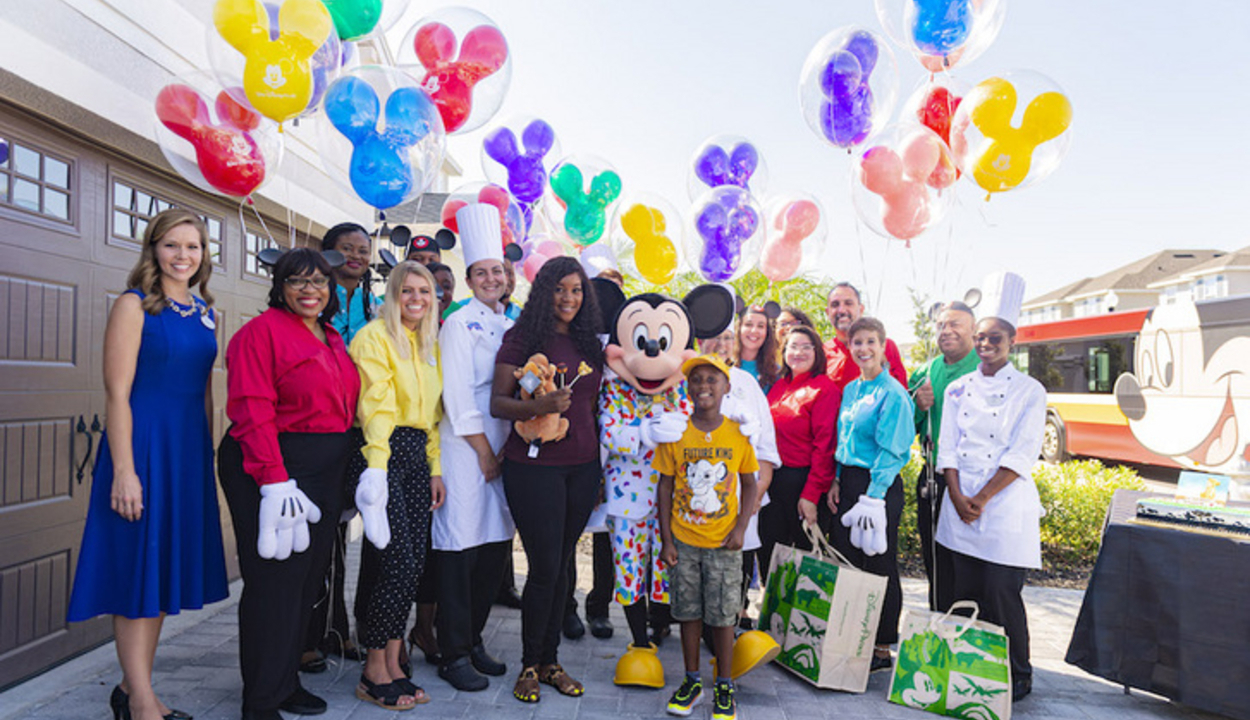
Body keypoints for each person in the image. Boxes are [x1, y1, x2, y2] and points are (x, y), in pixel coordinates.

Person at [67, 208, 227, 720]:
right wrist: (124, 470)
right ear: (153, 249)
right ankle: (140, 702)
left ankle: (133, 687)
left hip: (186, 455)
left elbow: (204, 393)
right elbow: (117, 394)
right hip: (141, 450)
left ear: (204, 255)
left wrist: (206, 458)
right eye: (172, 245)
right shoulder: (134, 306)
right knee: (137, 571)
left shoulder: (206, 312)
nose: (183, 256)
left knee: (158, 576)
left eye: (193, 247)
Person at [218, 248, 361, 720]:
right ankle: (260, 700)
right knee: (274, 582)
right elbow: (251, 409)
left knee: (306, 581)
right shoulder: (258, 334)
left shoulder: (331, 335)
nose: (309, 290)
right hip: (272, 467)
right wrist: (274, 481)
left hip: (322, 473)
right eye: (297, 281)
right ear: (279, 286)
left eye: (319, 281)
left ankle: (285, 682)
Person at [490, 256, 604, 703]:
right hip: (534, 469)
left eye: (576, 290)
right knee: (544, 569)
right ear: (544, 293)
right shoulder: (523, 337)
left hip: (582, 467)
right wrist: (541, 406)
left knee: (561, 570)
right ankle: (529, 665)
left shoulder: (589, 343)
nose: (569, 298)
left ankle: (552, 661)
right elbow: (500, 403)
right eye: (559, 289)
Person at [347, 260, 445, 710]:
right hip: (381, 454)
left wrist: (435, 468)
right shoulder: (374, 337)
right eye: (407, 291)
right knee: (396, 563)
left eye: (424, 292)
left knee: (414, 563)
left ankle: (393, 660)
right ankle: (373, 668)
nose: (416, 300)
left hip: (416, 457)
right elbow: (377, 408)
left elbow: (433, 417)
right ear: (392, 295)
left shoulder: (427, 343)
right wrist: (377, 470)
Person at [935, 317, 1046, 703]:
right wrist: (955, 494)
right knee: (964, 591)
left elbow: (1023, 451)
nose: (986, 343)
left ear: (1011, 342)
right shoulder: (956, 388)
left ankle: (1018, 673)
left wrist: (981, 499)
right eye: (979, 337)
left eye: (994, 338)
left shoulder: (1030, 390)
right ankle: (970, 666)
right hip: (958, 501)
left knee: (1001, 592)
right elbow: (946, 445)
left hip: (1003, 506)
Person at [432, 205, 516, 691]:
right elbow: (459, 395)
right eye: (481, 273)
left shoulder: (510, 326)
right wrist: (484, 451)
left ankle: (475, 639)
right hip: (466, 450)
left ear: (507, 278)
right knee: (460, 549)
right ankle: (453, 651)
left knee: (493, 549)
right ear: (468, 279)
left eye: (497, 272)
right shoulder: (459, 325)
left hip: (504, 448)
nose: (490, 279)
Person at [657, 355, 759, 720]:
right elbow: (665, 486)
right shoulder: (677, 432)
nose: (703, 385)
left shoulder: (737, 433)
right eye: (696, 379)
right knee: (688, 612)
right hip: (684, 541)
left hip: (723, 543)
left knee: (722, 614)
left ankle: (725, 684)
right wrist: (667, 540)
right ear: (687, 386)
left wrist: (740, 529)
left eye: (712, 379)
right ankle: (691, 680)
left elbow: (749, 484)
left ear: (726, 387)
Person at [301, 222, 378, 673]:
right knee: (320, 539)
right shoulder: (314, 303)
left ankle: (343, 627)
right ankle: (310, 636)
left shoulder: (374, 304)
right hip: (320, 431)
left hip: (362, 432)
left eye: (363, 249)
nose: (356, 256)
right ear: (328, 254)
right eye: (346, 249)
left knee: (355, 538)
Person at [828, 317, 915, 674]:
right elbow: (844, 440)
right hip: (848, 480)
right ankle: (851, 637)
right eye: (856, 343)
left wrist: (873, 496)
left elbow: (893, 450)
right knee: (847, 559)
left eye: (870, 342)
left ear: (882, 345)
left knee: (879, 563)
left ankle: (880, 645)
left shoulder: (892, 392)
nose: (863, 349)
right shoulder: (851, 389)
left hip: (877, 485)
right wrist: (836, 480)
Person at [700, 327, 780, 630]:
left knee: (739, 556)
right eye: (715, 336)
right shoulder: (687, 380)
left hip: (742, 493)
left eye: (727, 338)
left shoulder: (747, 383)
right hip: (698, 494)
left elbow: (766, 442)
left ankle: (732, 620)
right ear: (700, 340)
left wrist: (758, 491)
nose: (721, 344)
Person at [908, 302, 978, 612]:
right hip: (934, 478)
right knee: (935, 561)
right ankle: (940, 626)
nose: (946, 331)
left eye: (955, 325)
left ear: (974, 330)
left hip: (973, 480)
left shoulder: (985, 367)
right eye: (940, 325)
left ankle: (974, 634)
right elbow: (906, 426)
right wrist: (918, 406)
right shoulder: (925, 371)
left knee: (970, 564)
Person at [761, 325, 839, 580]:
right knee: (770, 553)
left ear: (817, 352)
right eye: (793, 346)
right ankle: (771, 615)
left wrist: (811, 495)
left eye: (807, 347)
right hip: (774, 480)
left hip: (803, 481)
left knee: (805, 560)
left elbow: (825, 447)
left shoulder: (824, 389)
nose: (799, 352)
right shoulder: (778, 387)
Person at [822, 283, 908, 389]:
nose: (842, 310)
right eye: (835, 305)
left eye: (848, 303)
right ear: (828, 312)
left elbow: (903, 391)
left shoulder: (885, 346)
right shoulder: (821, 353)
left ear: (861, 309)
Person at [734, 306, 780, 392]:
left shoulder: (775, 371)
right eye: (748, 325)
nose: (754, 330)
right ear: (739, 328)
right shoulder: (724, 364)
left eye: (760, 326)